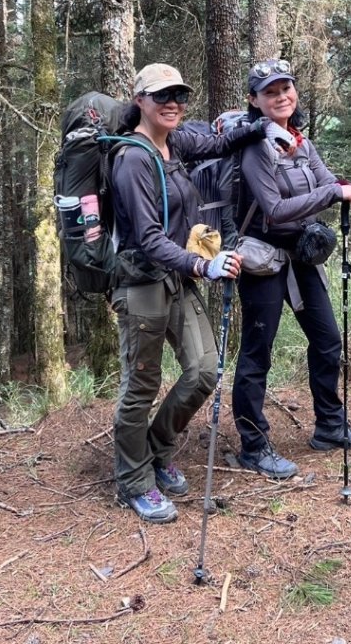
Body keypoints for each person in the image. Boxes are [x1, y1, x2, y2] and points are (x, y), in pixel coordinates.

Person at [109, 62, 286, 523]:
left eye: (180, 96)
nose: (173, 104)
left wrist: (261, 122)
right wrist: (204, 264)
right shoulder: (132, 159)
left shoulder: (177, 142)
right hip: (142, 284)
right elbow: (148, 237)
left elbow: (220, 141)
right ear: (139, 101)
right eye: (162, 96)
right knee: (141, 385)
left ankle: (156, 447)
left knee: (205, 370)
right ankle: (135, 479)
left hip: (178, 278)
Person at [232, 58, 351, 479]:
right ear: (254, 101)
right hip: (263, 259)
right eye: (270, 92)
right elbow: (276, 210)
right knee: (256, 353)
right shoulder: (253, 148)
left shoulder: (303, 143)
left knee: (328, 340)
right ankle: (254, 445)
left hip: (301, 256)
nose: (281, 96)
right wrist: (336, 192)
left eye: (286, 88)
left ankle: (330, 427)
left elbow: (329, 183)